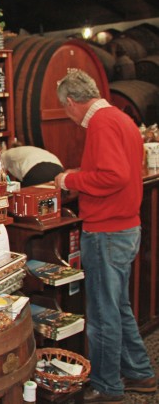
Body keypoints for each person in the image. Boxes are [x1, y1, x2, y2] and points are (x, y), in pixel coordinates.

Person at [53, 69, 156, 403]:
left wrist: (71, 180)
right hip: (126, 226)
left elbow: (112, 175)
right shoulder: (121, 118)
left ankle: (108, 385)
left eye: (65, 110)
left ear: (71, 102)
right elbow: (124, 171)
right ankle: (140, 373)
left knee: (102, 316)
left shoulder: (100, 123)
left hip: (106, 231)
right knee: (119, 308)